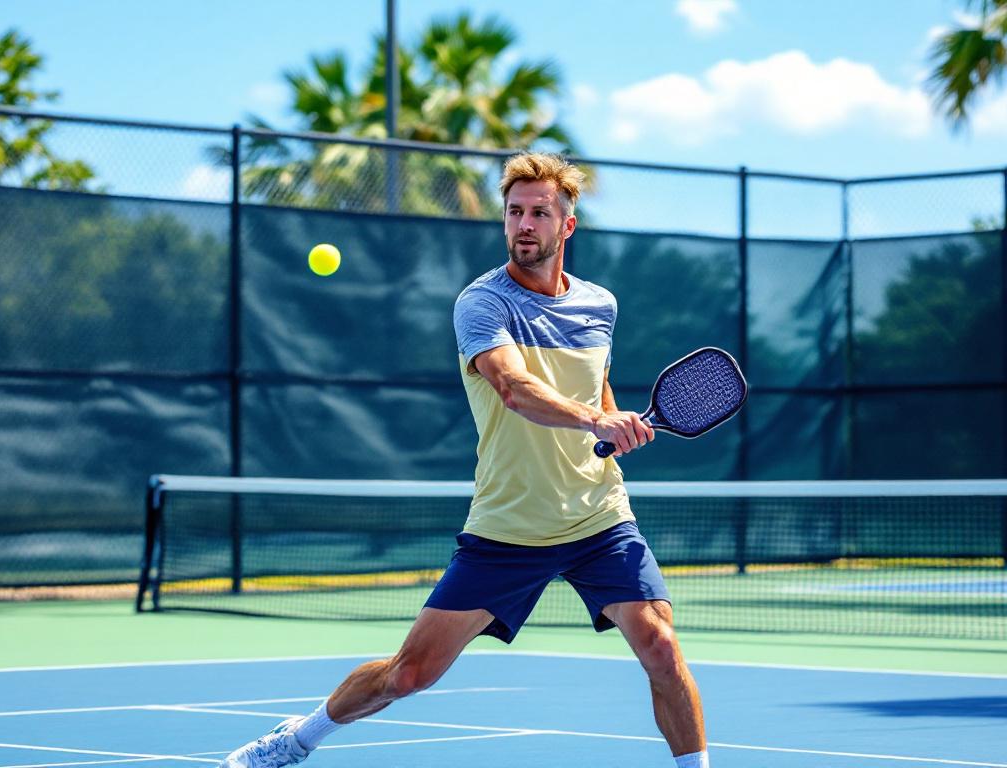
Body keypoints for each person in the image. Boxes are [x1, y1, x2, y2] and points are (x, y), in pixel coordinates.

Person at [219, 152, 710, 768]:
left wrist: (614, 423)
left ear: (567, 225)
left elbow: (596, 390)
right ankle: (297, 739)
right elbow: (514, 388)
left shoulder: (600, 306)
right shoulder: (482, 302)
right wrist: (594, 420)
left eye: (539, 213)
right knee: (409, 674)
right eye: (514, 212)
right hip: (508, 527)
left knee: (661, 648)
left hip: (598, 517)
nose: (524, 224)